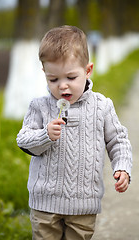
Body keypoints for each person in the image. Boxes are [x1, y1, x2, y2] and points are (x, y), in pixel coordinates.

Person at [16, 25, 132, 240]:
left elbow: (118, 141)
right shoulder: (39, 106)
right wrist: (45, 135)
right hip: (45, 203)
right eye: (53, 80)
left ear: (88, 70)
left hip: (84, 203)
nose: (62, 86)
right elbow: (24, 141)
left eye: (71, 77)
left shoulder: (102, 106)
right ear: (45, 74)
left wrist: (122, 167)